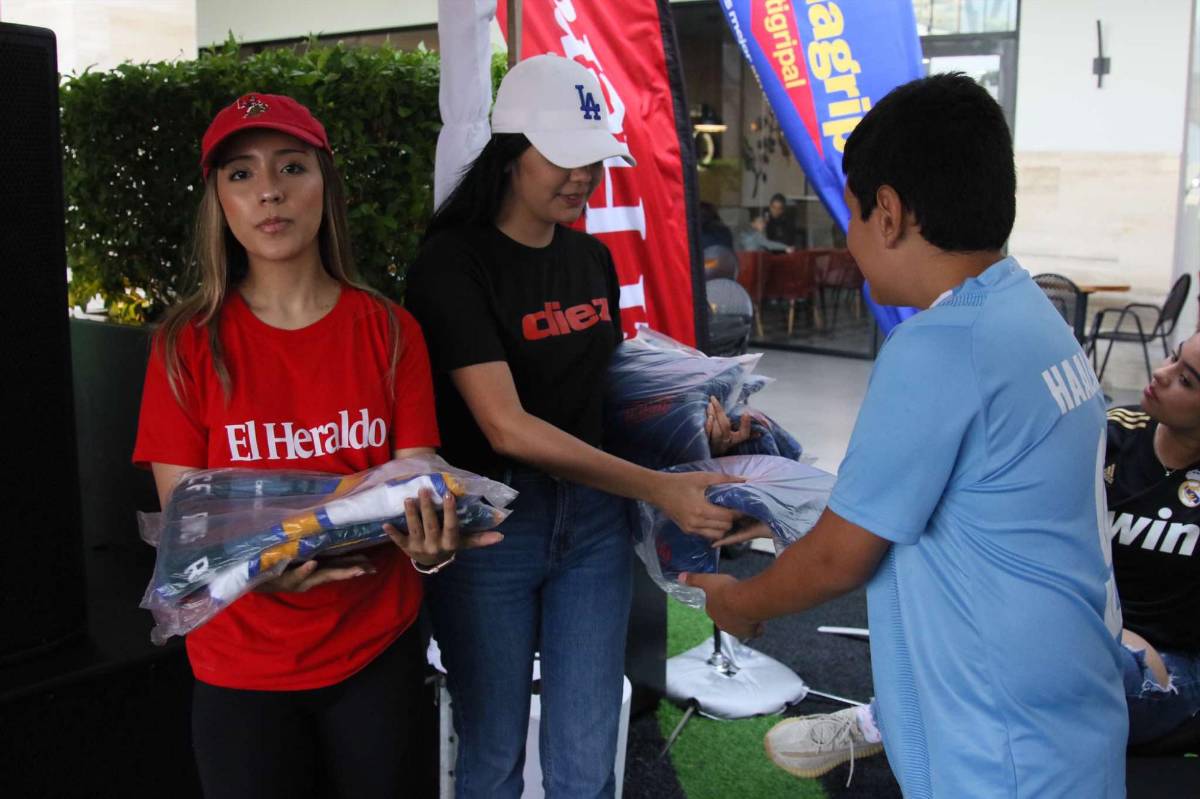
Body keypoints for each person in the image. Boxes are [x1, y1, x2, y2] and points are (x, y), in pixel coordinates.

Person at [682, 73, 1128, 797]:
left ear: (888, 214)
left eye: (850, 216)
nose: (850, 240)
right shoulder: (1032, 316)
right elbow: (961, 498)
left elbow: (839, 558)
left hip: (1000, 745)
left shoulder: (940, 346)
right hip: (1068, 715)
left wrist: (742, 600)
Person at [133, 93, 496, 799]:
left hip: (374, 657)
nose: (268, 190)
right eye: (240, 174)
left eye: (291, 166)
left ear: (325, 186)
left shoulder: (391, 332)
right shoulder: (187, 344)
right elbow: (185, 522)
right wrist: (258, 568)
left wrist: (436, 545)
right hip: (240, 666)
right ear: (220, 203)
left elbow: (417, 485)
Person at [404, 54, 743, 798]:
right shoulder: (451, 265)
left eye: (594, 158)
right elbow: (507, 428)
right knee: (490, 751)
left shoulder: (591, 258)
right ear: (509, 150)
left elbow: (607, 396)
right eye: (564, 156)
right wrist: (663, 488)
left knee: (587, 759)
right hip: (493, 529)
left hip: (593, 526)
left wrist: (699, 417)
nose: (583, 176)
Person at [1105, 337, 1200, 746]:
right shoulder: (1110, 435)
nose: (1161, 374)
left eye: (1186, 380)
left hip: (1170, 669)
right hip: (1082, 629)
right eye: (1174, 356)